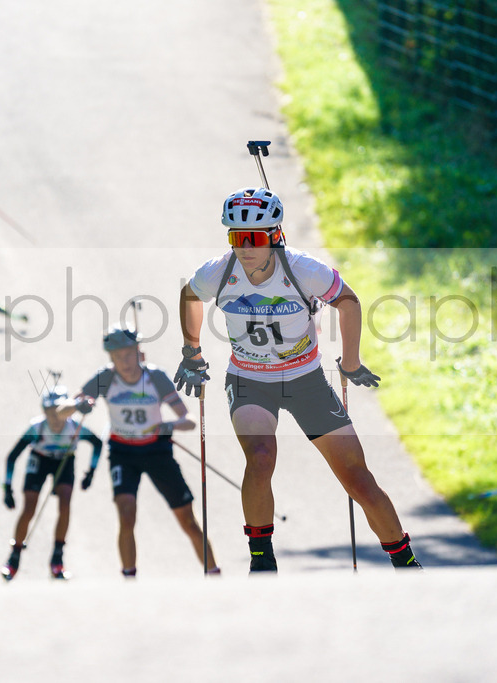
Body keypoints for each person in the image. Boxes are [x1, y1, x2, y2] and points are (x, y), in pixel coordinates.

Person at [176, 186, 422, 573]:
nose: (245, 247)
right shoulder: (219, 271)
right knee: (260, 458)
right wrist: (192, 352)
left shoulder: (303, 270)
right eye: (236, 237)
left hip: (306, 381)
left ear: (275, 236)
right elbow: (190, 296)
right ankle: (261, 557)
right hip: (249, 380)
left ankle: (405, 561)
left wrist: (352, 362)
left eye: (254, 238)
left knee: (357, 479)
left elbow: (348, 300)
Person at [73, 326, 219, 578]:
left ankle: (214, 574)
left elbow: (189, 420)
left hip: (156, 451)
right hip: (122, 453)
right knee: (126, 514)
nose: (124, 362)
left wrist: (168, 426)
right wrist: (80, 403)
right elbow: (71, 404)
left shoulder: (156, 378)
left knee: (187, 520)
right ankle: (129, 578)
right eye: (117, 357)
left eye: (128, 354)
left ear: (140, 353)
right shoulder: (105, 378)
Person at [1, 385, 103, 580]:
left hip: (64, 461)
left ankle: (57, 558)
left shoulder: (75, 427)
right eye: (49, 412)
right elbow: (12, 457)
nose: (54, 418)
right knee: (29, 507)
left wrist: (91, 472)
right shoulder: (37, 427)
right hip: (39, 460)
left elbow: (97, 444)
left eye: (57, 412)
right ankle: (14, 557)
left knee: (65, 505)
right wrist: (8, 488)